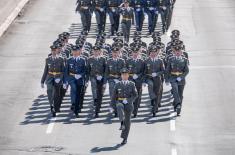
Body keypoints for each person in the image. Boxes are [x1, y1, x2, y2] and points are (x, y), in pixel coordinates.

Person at [111, 68, 138, 145]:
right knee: (119, 106)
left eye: (126, 74)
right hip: (120, 102)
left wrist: (129, 100)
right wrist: (111, 106)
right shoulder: (118, 84)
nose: (124, 76)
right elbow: (113, 96)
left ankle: (125, 138)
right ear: (121, 76)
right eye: (123, 75)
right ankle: (121, 122)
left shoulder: (132, 84)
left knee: (128, 122)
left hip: (129, 105)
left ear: (128, 75)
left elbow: (136, 95)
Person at [41, 45, 66, 117]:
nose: (53, 52)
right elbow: (45, 71)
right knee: (49, 91)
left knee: (56, 94)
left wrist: (63, 81)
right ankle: (51, 106)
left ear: (57, 51)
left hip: (58, 78)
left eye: (55, 50)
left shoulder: (61, 59)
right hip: (49, 78)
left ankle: (55, 107)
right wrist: (42, 81)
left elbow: (63, 71)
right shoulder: (47, 59)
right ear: (51, 51)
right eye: (52, 50)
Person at [165, 45, 189, 116]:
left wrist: (181, 77)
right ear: (174, 52)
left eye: (179, 51)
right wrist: (166, 79)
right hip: (173, 78)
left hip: (181, 79)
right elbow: (167, 70)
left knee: (180, 94)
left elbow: (186, 71)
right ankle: (178, 104)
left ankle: (178, 108)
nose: (178, 53)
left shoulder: (184, 60)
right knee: (174, 88)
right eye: (176, 51)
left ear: (181, 52)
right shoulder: (171, 59)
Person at [65, 45, 87, 118]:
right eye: (73, 51)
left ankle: (77, 109)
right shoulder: (69, 60)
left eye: (76, 51)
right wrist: (66, 81)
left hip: (80, 79)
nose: (74, 52)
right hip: (72, 78)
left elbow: (85, 70)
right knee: (73, 88)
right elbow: (66, 71)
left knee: (79, 94)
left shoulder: (83, 60)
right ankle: (73, 104)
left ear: (79, 51)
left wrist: (81, 75)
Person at [144, 45, 165, 117]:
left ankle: (155, 109)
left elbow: (163, 71)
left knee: (157, 93)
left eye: (154, 52)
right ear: (149, 53)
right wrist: (144, 81)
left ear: (156, 53)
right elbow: (144, 71)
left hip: (157, 79)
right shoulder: (146, 61)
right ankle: (152, 98)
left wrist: (156, 74)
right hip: (149, 78)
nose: (153, 54)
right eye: (151, 52)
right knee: (150, 85)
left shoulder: (160, 61)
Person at [105, 47, 125, 116]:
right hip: (111, 79)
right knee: (112, 91)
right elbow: (106, 73)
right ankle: (114, 108)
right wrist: (105, 82)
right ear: (112, 53)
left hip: (120, 79)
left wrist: (120, 78)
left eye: (116, 53)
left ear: (119, 53)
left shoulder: (122, 61)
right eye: (114, 53)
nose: (115, 54)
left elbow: (124, 71)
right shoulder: (109, 61)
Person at [87, 46, 106, 118]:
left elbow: (105, 69)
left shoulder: (103, 59)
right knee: (93, 86)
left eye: (97, 51)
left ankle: (99, 103)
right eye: (94, 51)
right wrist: (87, 79)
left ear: (99, 51)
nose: (95, 52)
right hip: (93, 76)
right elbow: (88, 70)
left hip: (101, 77)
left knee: (100, 92)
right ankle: (95, 99)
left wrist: (102, 77)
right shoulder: (90, 59)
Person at [126, 47, 145, 117]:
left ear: (139, 53)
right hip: (130, 80)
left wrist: (138, 75)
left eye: (136, 52)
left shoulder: (141, 61)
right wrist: (130, 76)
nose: (135, 54)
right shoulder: (128, 61)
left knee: (137, 96)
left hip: (138, 81)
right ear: (132, 53)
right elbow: (125, 70)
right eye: (134, 52)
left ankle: (135, 112)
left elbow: (143, 71)